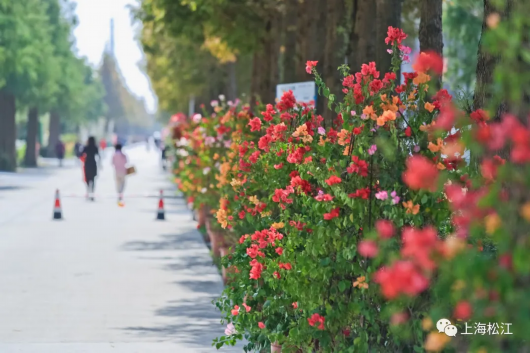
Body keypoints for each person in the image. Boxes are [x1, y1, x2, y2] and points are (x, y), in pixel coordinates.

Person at [82, 136, 100, 201]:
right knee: (92, 180)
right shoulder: (95, 147)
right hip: (93, 164)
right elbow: (98, 156)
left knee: (87, 179)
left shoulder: (86, 147)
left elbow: (81, 154)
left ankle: (88, 192)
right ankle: (92, 193)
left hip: (87, 164)